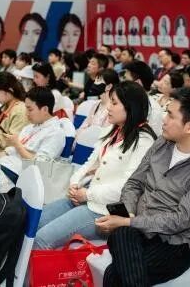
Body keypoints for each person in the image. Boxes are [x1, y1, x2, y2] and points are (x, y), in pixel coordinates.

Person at [97, 88, 190, 287]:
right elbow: (134, 183)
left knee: (114, 275)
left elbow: (180, 220)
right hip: (137, 229)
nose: (163, 120)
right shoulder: (162, 143)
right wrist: (128, 212)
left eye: (171, 115)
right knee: (121, 233)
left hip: (173, 244)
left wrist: (130, 222)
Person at [35, 82, 157, 248]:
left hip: (106, 210)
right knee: (33, 222)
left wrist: (87, 194)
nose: (108, 108)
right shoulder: (112, 130)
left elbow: (127, 186)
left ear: (131, 107)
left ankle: (27, 266)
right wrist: (74, 184)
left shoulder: (143, 141)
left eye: (114, 103)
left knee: (42, 239)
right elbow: (89, 163)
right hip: (87, 197)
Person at [0, 87, 66, 190]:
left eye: (30, 109)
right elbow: (10, 151)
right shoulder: (30, 127)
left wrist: (17, 145)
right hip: (6, 165)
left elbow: (40, 166)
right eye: (26, 109)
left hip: (19, 176)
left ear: (45, 109)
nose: (26, 113)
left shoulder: (55, 133)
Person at [123, 61, 163, 136]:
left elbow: (154, 138)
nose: (122, 85)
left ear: (137, 83)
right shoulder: (124, 101)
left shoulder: (154, 110)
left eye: (126, 81)